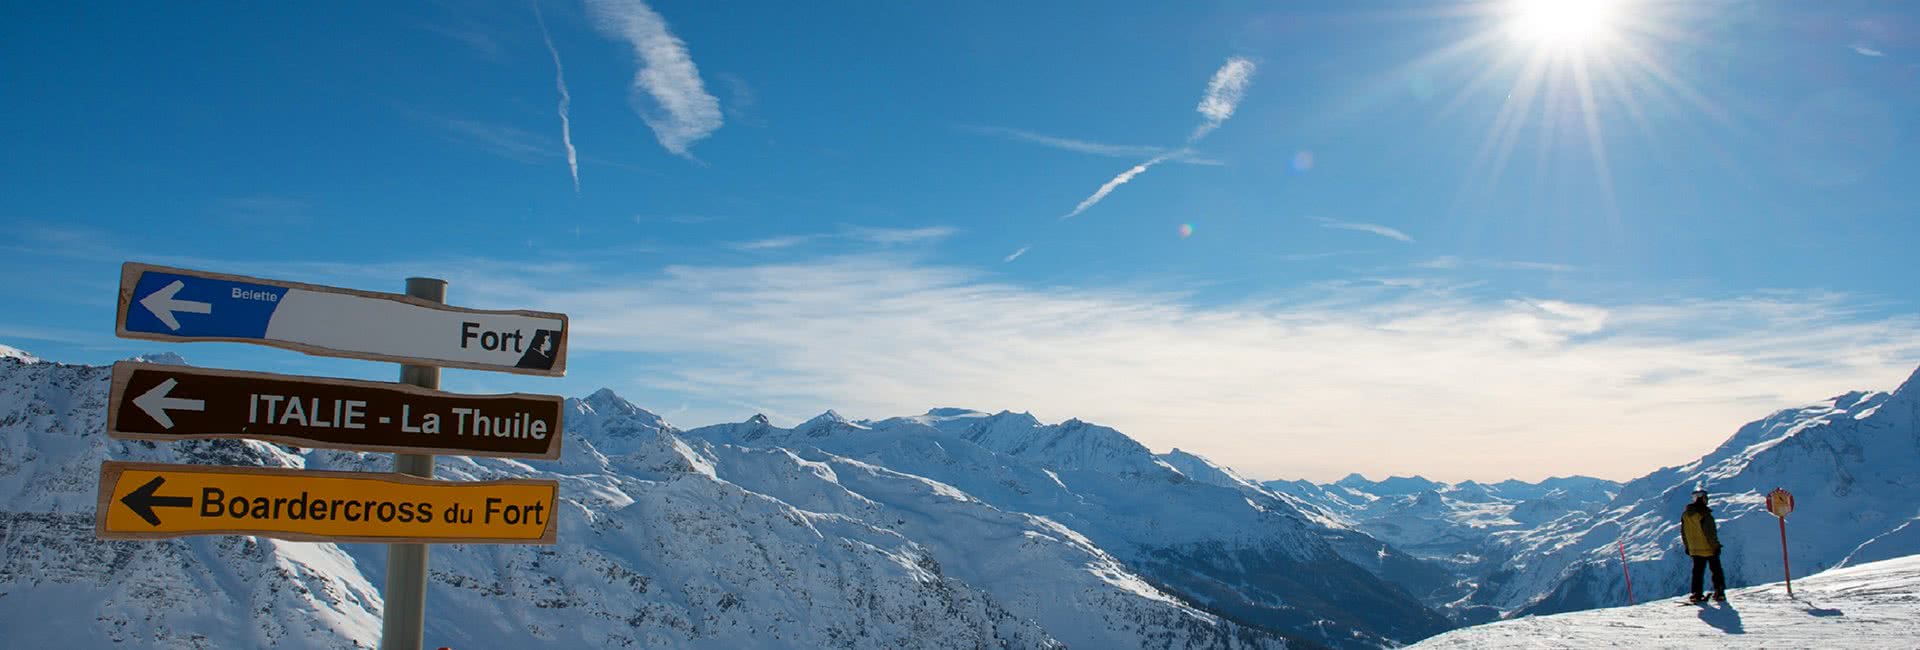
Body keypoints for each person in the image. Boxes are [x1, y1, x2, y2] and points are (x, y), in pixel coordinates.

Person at [1680, 488, 1727, 602]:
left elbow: (1684, 532)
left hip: (1694, 549)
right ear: (1703, 499)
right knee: (1716, 570)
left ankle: (1696, 593)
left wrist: (1687, 546)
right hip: (1708, 548)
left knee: (1697, 572)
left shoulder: (1686, 515)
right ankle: (1719, 592)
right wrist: (1716, 546)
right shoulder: (1705, 514)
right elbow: (1710, 533)